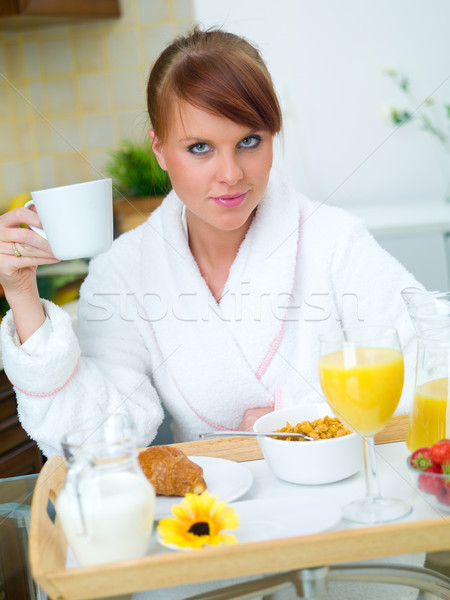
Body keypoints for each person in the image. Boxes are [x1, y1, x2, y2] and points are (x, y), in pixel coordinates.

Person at [0, 26, 424, 600]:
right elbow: (96, 434)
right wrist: (24, 297)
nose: (230, 174)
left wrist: (293, 423)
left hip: (344, 526)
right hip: (204, 542)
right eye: (199, 147)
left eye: (249, 141)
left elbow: (431, 360)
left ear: (274, 135)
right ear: (159, 150)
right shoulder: (124, 272)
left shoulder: (333, 241)